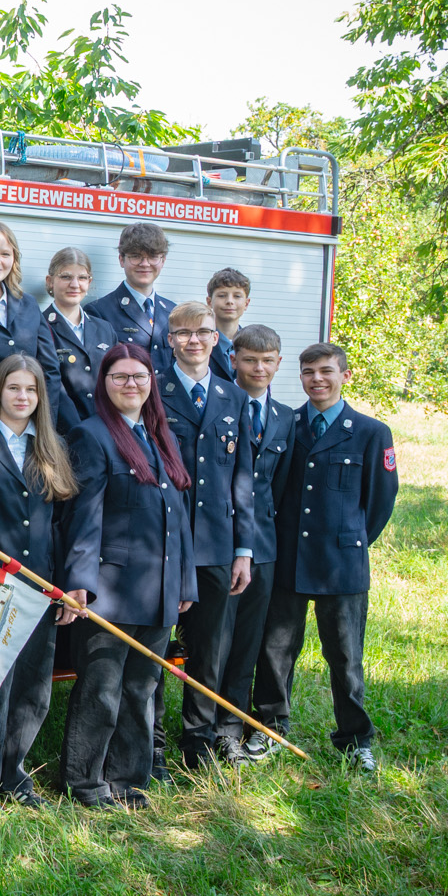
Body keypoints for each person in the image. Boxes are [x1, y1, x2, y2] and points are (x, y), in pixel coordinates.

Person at [58, 343, 196, 809]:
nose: (130, 384)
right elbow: (84, 516)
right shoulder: (92, 435)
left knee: (142, 689)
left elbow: (178, 516)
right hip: (110, 590)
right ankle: (85, 783)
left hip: (158, 590)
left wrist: (184, 582)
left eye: (139, 376)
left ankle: (129, 780)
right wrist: (80, 581)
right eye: (119, 377)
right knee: (101, 690)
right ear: (104, 384)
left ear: (152, 382)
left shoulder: (161, 435)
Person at [251, 343, 400, 771]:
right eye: (308, 372)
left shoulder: (371, 432)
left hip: (341, 562)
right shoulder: (287, 424)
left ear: (344, 376)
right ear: (299, 376)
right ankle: (271, 729)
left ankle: (355, 740)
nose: (317, 379)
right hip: (289, 557)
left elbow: (380, 501)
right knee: (276, 649)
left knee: (346, 655)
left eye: (326, 371)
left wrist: (350, 540)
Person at [0, 355, 78, 808]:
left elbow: (61, 524)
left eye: (30, 390)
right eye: (13, 388)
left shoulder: (51, 445)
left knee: (32, 688)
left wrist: (62, 585)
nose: (22, 397)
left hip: (40, 586)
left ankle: (14, 776)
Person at [153, 301, 255, 770]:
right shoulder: (153, 389)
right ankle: (151, 742)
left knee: (210, 650)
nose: (193, 340)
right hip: (164, 543)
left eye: (202, 333)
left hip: (216, 544)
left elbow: (242, 479)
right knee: (156, 649)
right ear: (169, 339)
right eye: (183, 333)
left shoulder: (234, 397)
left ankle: (198, 741)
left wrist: (243, 549)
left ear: (217, 339)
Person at [219, 325, 298, 761]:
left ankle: (233, 726)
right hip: (217, 540)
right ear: (233, 360)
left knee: (249, 639)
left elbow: (279, 488)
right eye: (250, 360)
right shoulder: (218, 404)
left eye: (267, 361)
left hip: (263, 545)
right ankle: (209, 724)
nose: (259, 368)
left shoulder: (286, 417)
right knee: (217, 640)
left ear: (279, 364)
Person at [0, 221, 65, 426]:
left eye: (5, 254)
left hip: (26, 424)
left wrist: (43, 424)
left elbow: (50, 371)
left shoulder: (29, 304)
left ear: (14, 259)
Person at [41, 246, 118, 431]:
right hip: (62, 432)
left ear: (89, 282)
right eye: (66, 277)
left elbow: (116, 380)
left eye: (82, 278)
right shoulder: (39, 326)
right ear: (50, 281)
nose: (75, 284)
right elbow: (49, 388)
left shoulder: (105, 329)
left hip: (106, 430)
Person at [84, 224, 175, 365]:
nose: (145, 264)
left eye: (152, 256)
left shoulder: (173, 312)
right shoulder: (98, 312)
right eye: (136, 256)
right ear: (121, 259)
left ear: (163, 261)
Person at [206, 268, 252, 381]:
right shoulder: (201, 343)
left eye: (237, 296)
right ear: (209, 302)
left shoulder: (253, 344)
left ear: (246, 303)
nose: (230, 301)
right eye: (222, 295)